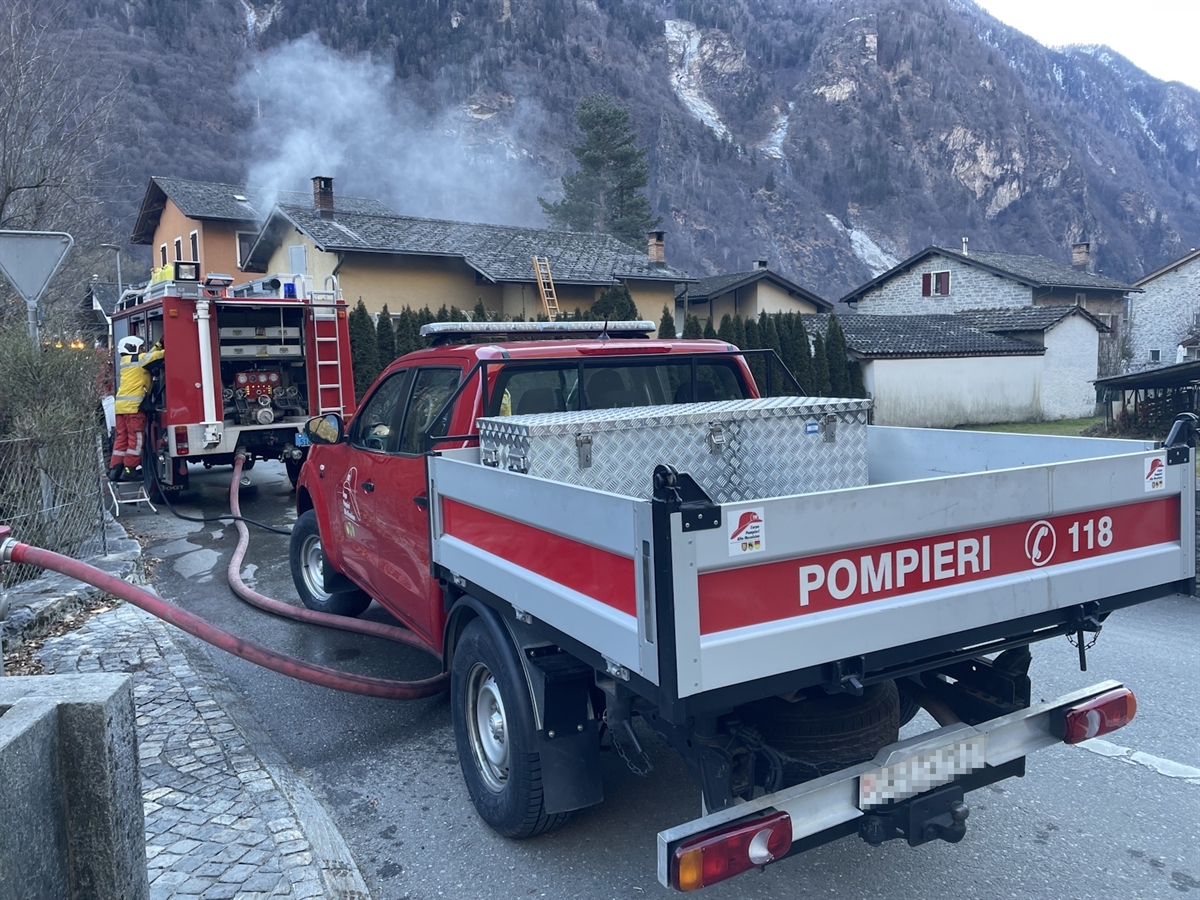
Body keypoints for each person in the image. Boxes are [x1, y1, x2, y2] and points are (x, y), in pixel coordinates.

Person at [108, 335, 164, 482]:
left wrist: (158, 344)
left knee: (121, 439)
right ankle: (129, 470)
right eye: (141, 348)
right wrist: (169, 348)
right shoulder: (139, 360)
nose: (143, 350)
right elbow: (155, 357)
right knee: (136, 439)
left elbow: (149, 356)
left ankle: (115, 469)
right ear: (133, 348)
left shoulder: (128, 361)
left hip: (121, 409)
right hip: (134, 409)